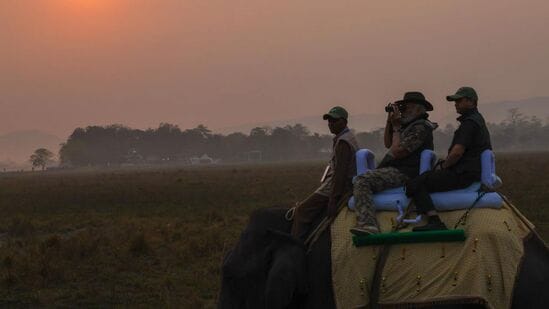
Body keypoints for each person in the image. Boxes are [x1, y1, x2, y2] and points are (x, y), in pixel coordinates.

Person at [406, 86, 492, 231]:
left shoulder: (469, 123)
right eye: (455, 101)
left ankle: (434, 220)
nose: (456, 103)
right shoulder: (476, 120)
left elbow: (457, 152)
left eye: (459, 100)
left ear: (472, 102)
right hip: (469, 172)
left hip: (462, 173)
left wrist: (444, 166)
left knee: (417, 183)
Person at [350, 92, 437, 235]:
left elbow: (397, 152)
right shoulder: (408, 126)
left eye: (408, 107)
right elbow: (388, 143)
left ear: (419, 109)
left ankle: (368, 224)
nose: (404, 111)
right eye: (403, 108)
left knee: (362, 180)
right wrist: (390, 122)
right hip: (398, 169)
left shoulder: (421, 127)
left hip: (406, 172)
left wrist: (396, 127)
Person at [291, 106, 359, 241]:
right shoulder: (346, 137)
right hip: (340, 183)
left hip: (336, 186)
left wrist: (333, 200)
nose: (330, 124)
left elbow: (339, 174)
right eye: (329, 121)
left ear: (344, 122)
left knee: (302, 211)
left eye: (334, 121)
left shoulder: (343, 142)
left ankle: (295, 245)